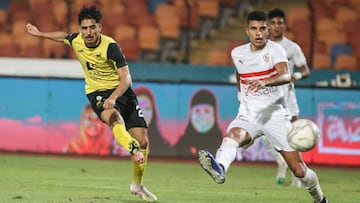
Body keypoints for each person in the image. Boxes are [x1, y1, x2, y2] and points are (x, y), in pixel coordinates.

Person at [26, 5, 157, 202]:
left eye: (92, 27)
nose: (88, 32)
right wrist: (39, 34)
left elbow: (126, 78)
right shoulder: (76, 40)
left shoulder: (111, 47)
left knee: (144, 141)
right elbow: (62, 36)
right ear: (80, 29)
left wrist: (114, 97)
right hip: (96, 92)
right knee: (114, 118)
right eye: (84, 28)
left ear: (100, 27)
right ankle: (132, 148)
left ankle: (136, 185)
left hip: (121, 91)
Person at [197, 10, 329, 203]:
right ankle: (220, 168)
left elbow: (285, 75)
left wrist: (265, 81)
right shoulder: (237, 53)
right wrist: (241, 95)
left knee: (299, 170)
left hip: (276, 116)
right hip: (249, 113)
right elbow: (239, 73)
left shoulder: (276, 50)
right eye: (254, 29)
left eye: (262, 29)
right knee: (232, 136)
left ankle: (320, 199)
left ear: (267, 31)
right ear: (247, 31)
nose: (258, 33)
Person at [259, 7, 312, 187]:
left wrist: (296, 76)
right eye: (272, 23)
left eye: (279, 23)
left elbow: (306, 70)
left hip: (288, 97)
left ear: (284, 25)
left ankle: (298, 177)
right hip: (267, 98)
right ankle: (281, 162)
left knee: (294, 135)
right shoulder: (262, 47)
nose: (276, 26)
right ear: (268, 26)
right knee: (265, 134)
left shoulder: (292, 47)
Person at [175, 89, 223, 157]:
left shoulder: (223, 146)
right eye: (197, 111)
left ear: (214, 114)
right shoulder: (182, 144)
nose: (202, 117)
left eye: (207, 111)